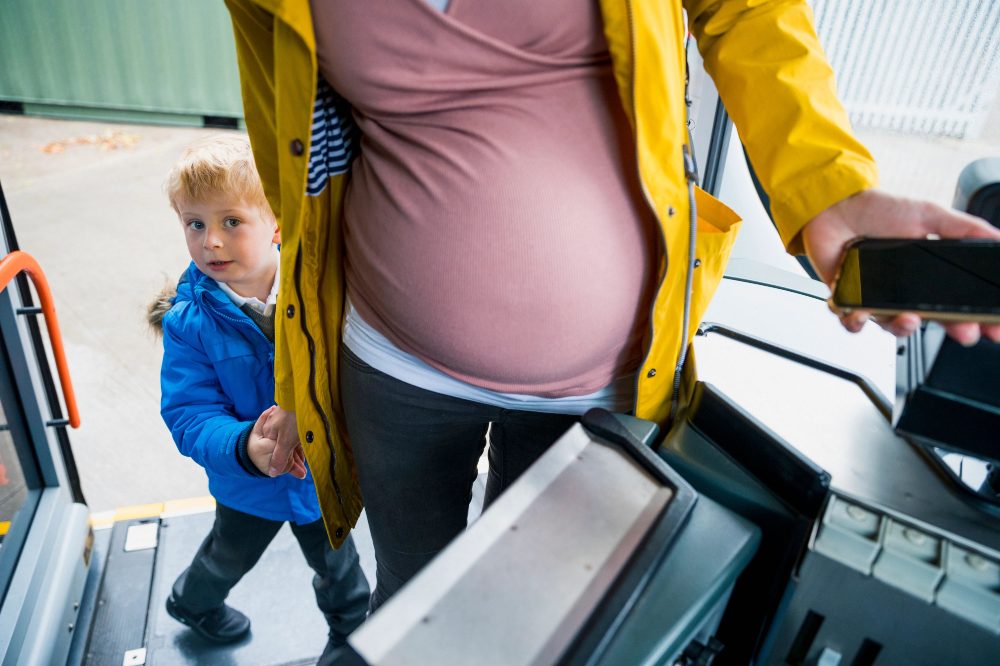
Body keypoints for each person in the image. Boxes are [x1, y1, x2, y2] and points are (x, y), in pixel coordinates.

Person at [223, 0, 1000, 611]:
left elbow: (747, 8)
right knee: (412, 603)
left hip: (604, 374)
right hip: (393, 360)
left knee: (546, 615)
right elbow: (290, 154)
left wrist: (827, 186)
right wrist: (298, 376)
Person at [148, 134, 369, 657]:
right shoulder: (191, 323)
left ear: (275, 222)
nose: (212, 242)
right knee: (228, 555)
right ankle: (192, 601)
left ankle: (351, 632)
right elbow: (189, 411)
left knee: (339, 564)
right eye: (194, 224)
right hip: (247, 484)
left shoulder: (318, 290)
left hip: (319, 475)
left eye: (231, 221)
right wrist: (245, 445)